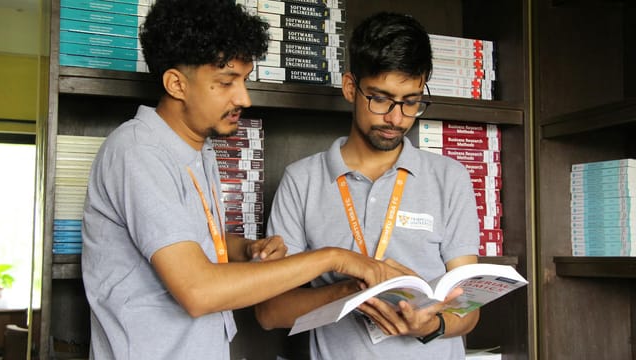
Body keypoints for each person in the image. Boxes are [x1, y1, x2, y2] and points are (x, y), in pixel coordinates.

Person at [80, 2, 407, 359]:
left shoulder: (197, 149)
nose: (244, 98)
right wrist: (333, 259)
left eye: (244, 80)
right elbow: (198, 290)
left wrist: (246, 249)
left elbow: (191, 239)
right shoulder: (137, 151)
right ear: (176, 84)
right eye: (225, 83)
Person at [256, 12, 481, 360]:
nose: (396, 117)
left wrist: (429, 326)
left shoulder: (450, 177)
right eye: (380, 98)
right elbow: (271, 313)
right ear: (351, 88)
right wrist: (354, 289)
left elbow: (468, 309)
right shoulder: (301, 181)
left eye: (411, 102)